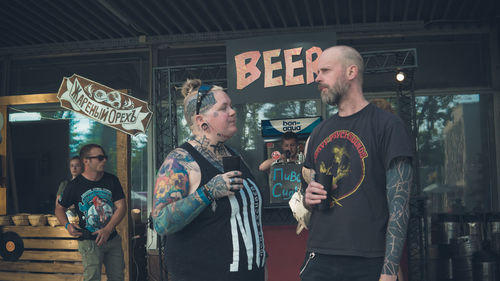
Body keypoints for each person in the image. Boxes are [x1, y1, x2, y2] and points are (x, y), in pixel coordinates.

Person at [300, 46, 413, 281]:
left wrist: (390, 271)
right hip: (319, 257)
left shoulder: (388, 126)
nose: (317, 78)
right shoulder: (320, 132)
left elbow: (399, 207)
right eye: (317, 72)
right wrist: (308, 197)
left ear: (351, 72)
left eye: (326, 70)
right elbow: (308, 198)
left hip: (367, 260)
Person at [152, 79, 266, 281]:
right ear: (201, 121)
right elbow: (161, 222)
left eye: (230, 106)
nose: (232, 112)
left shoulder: (233, 154)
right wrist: (208, 192)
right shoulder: (179, 162)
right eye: (223, 108)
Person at [55, 144, 126, 281]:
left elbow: (122, 206)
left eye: (105, 157)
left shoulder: (112, 180)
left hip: (112, 239)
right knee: (92, 278)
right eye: (100, 158)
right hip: (89, 241)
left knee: (118, 277)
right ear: (86, 161)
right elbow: (59, 209)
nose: (104, 160)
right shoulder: (74, 185)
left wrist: (107, 229)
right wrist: (67, 226)